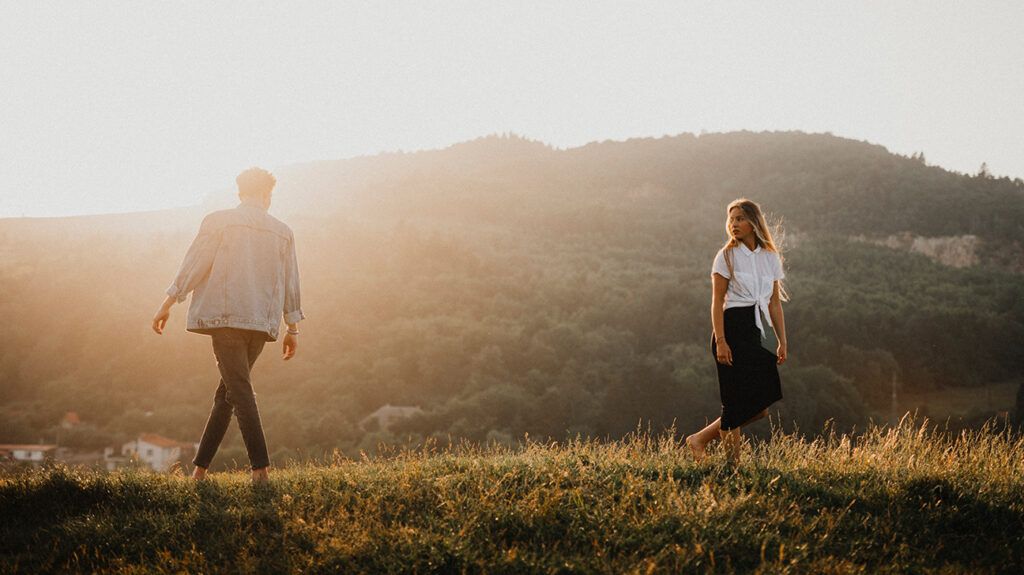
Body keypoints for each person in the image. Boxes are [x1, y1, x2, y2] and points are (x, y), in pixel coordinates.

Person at [151, 167, 304, 483]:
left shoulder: (218, 221)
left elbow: (194, 265)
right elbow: (291, 281)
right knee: (229, 393)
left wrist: (168, 303)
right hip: (261, 323)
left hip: (225, 319)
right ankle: (199, 471)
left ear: (239, 192)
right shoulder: (283, 231)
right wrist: (292, 328)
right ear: (267, 194)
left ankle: (260, 470)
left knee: (239, 390)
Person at [686, 198, 788, 465]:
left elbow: (774, 303)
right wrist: (721, 340)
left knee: (761, 404)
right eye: (731, 219)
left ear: (754, 222)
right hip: (730, 329)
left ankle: (699, 439)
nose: (734, 224)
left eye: (740, 218)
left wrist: (782, 341)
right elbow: (717, 302)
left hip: (756, 331)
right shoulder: (726, 256)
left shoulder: (770, 258)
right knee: (734, 402)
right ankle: (733, 467)